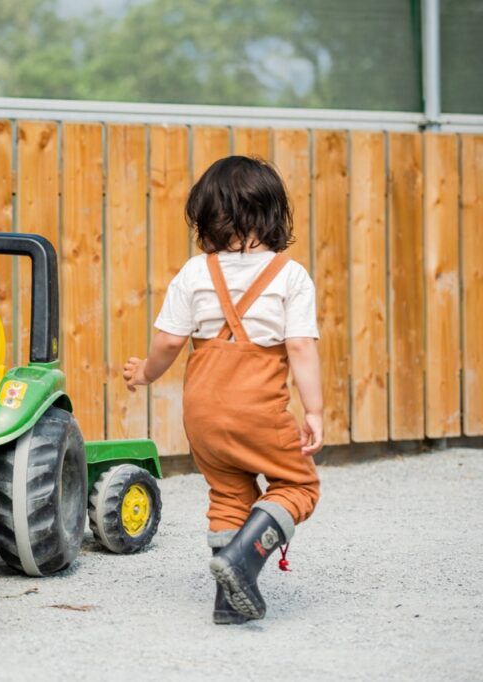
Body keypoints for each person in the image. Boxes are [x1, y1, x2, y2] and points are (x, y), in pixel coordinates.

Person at [123, 155, 323, 623]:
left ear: (207, 218)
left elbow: (170, 340)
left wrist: (146, 374)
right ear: (273, 215)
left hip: (203, 416)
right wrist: (313, 410)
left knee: (230, 494)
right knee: (298, 483)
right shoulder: (290, 276)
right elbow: (300, 347)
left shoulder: (195, 272)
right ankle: (246, 558)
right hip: (258, 411)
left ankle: (228, 601)